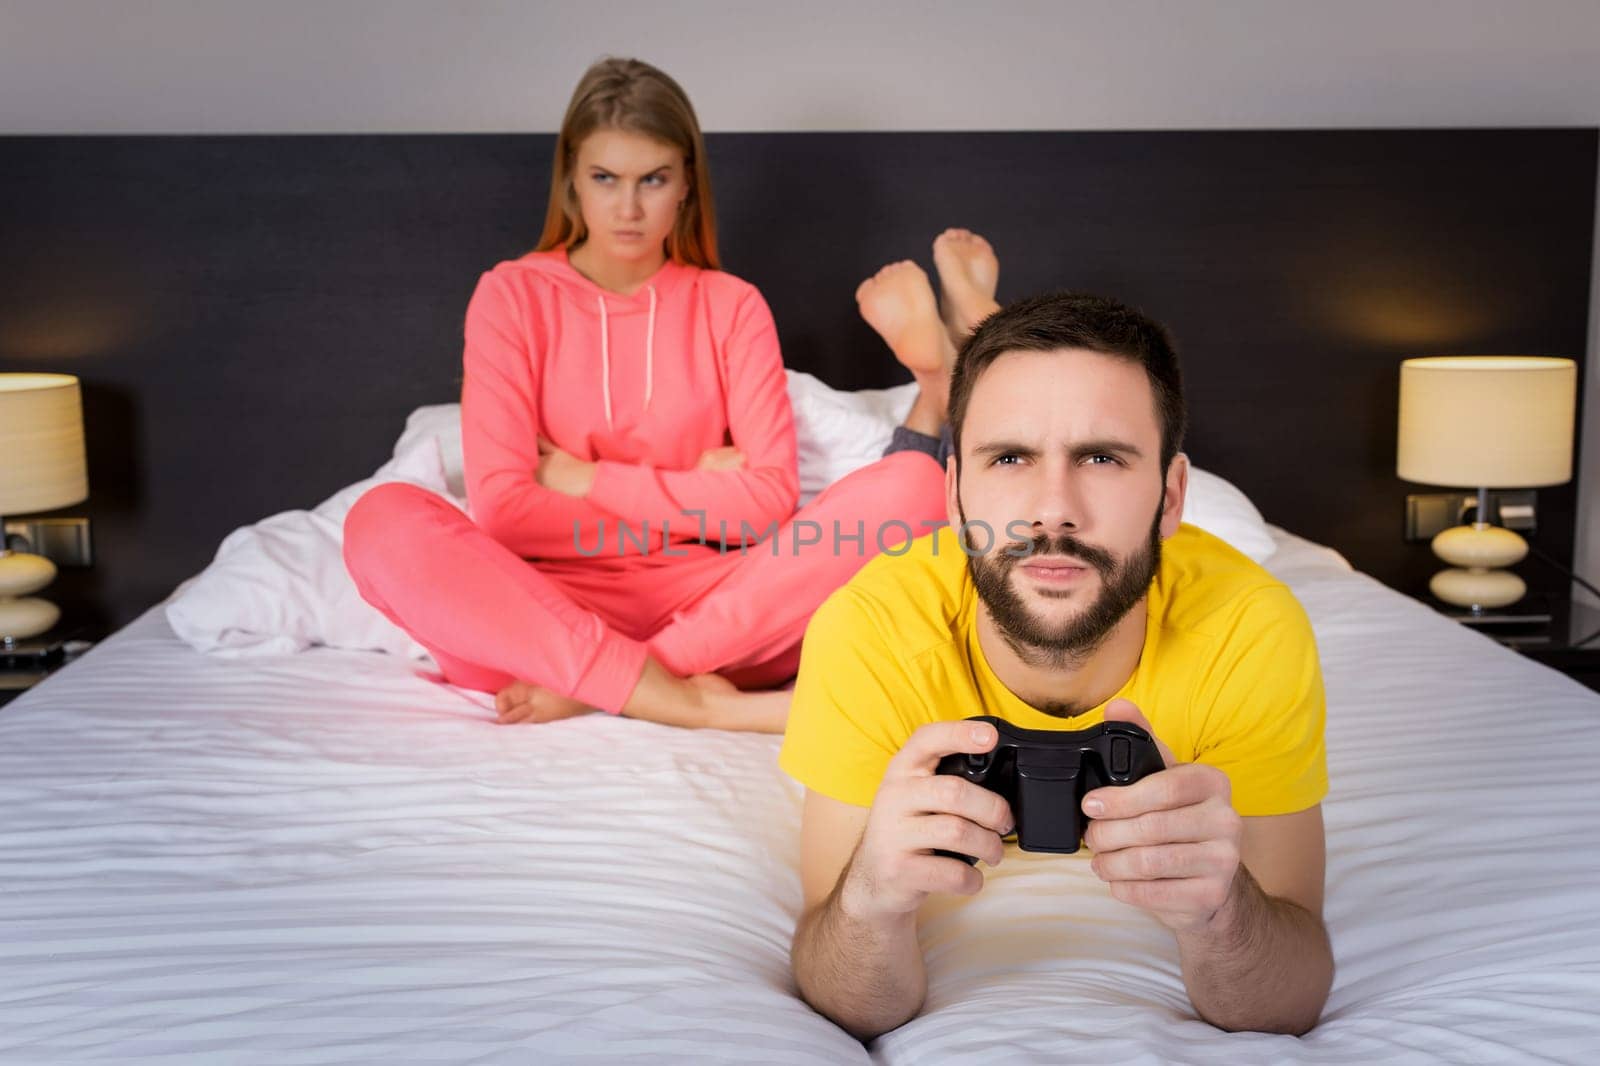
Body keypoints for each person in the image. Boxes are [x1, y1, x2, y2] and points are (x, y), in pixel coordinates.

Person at [342, 56, 998, 733]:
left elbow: (766, 506)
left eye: (653, 179)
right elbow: (508, 514)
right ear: (571, 179)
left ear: (686, 184)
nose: (628, 208)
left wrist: (581, 476)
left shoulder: (731, 306)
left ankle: (617, 683)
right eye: (605, 179)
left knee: (915, 488)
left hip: (714, 615)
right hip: (533, 617)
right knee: (380, 520)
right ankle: (676, 696)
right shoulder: (512, 296)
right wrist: (693, 490)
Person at [780, 292, 1333, 1036]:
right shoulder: (870, 627)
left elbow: (1284, 1003)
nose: (1052, 511)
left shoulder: (1249, 629)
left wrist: (1225, 911)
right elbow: (846, 998)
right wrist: (868, 901)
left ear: (1170, 497)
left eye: (1101, 457)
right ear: (952, 494)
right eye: (1009, 458)